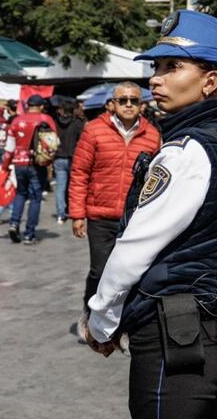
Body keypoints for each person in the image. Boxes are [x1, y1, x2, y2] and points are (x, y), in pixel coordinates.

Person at [81, 10, 217, 419]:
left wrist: (100, 319)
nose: (154, 79)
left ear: (210, 80)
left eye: (171, 66)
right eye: (155, 66)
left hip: (175, 338)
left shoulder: (186, 150)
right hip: (214, 331)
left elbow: (132, 251)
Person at [69, 82, 161, 305]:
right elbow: (80, 173)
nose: (128, 104)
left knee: (130, 273)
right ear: (112, 104)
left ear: (141, 105)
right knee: (99, 271)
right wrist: (77, 214)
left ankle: (121, 322)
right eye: (123, 100)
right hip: (100, 216)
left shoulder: (153, 135)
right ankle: (91, 316)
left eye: (134, 100)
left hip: (134, 218)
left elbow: (157, 179)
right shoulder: (93, 130)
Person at [0, 94, 56, 245]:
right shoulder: (46, 120)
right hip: (38, 163)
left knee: (20, 193)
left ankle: (14, 223)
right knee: (35, 198)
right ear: (42, 106)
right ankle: (29, 234)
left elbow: (9, 147)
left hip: (19, 162)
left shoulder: (16, 120)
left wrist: (4, 166)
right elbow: (53, 143)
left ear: (27, 105)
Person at [52, 100, 84, 224]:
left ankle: (61, 214)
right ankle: (73, 210)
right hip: (73, 158)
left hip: (59, 157)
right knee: (74, 186)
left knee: (60, 186)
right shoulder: (77, 123)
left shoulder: (55, 123)